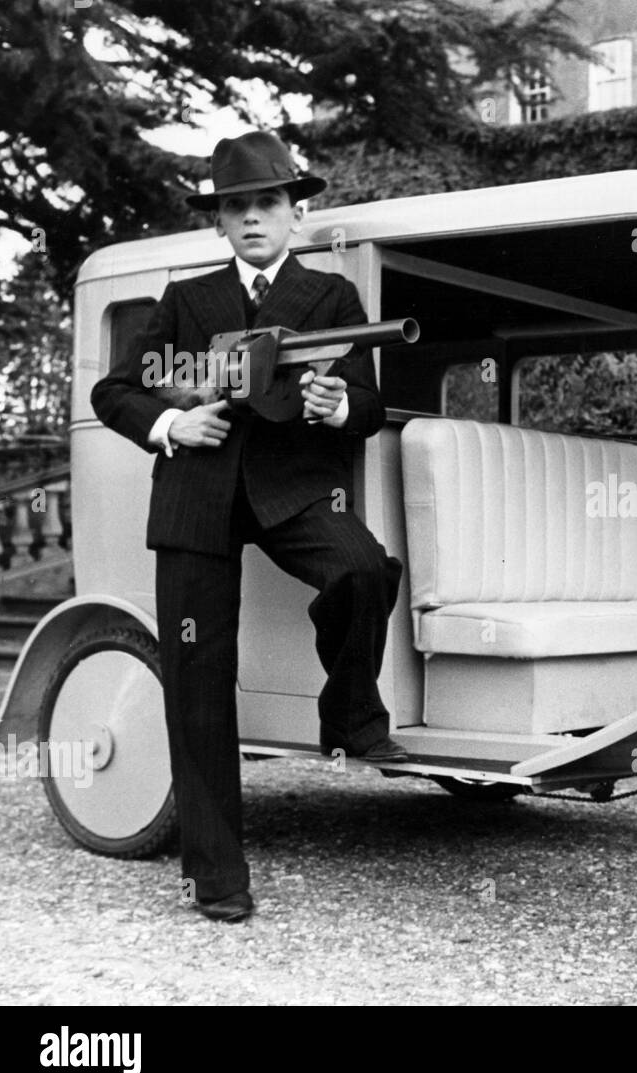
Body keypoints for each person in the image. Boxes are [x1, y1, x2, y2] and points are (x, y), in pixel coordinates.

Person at [91, 131, 407, 924]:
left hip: (294, 489)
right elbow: (115, 391)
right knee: (198, 684)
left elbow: (366, 404)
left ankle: (350, 713)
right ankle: (216, 876)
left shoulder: (333, 300)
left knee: (363, 570)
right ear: (221, 223)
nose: (254, 218)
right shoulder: (186, 301)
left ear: (295, 213)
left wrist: (340, 407)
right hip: (198, 494)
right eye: (238, 207)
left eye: (268, 203)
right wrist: (172, 424)